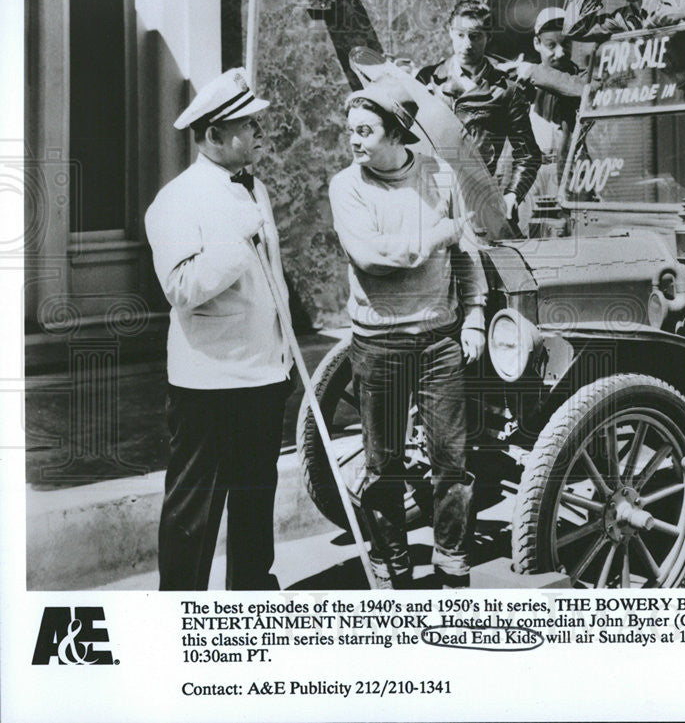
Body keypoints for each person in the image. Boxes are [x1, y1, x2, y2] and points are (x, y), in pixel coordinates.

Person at [328, 78, 487, 589]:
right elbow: (376, 259)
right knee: (384, 466)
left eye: (365, 132)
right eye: (350, 131)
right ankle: (393, 562)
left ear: (397, 133)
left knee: (452, 462)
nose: (354, 142)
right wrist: (441, 232)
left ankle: (451, 559)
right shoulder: (346, 186)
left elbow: (468, 254)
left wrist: (477, 314)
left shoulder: (440, 176)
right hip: (379, 343)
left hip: (440, 338)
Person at [144, 67, 292, 590]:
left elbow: (269, 282)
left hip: (263, 376)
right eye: (248, 124)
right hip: (208, 383)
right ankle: (179, 613)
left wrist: (285, 358)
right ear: (213, 136)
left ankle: (251, 601)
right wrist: (233, 239)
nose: (258, 133)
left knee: (255, 500)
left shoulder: (256, 189)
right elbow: (181, 288)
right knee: (194, 513)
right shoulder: (176, 200)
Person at [417, 0, 541, 226]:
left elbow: (528, 154)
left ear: (488, 37)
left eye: (475, 36)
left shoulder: (506, 90)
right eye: (460, 35)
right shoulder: (428, 80)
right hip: (432, 197)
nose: (467, 45)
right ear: (450, 32)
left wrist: (513, 194)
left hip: (480, 201)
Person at [499, 7, 585, 221]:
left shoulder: (580, 79)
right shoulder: (520, 83)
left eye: (566, 44)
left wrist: (533, 71)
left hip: (565, 174)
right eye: (551, 45)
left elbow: (579, 89)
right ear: (537, 43)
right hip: (529, 175)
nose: (560, 52)